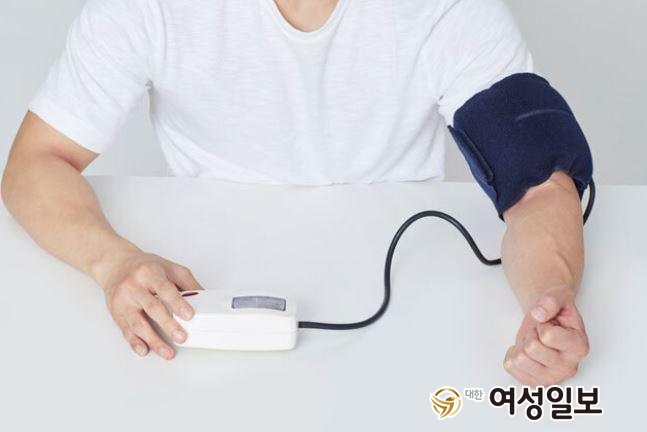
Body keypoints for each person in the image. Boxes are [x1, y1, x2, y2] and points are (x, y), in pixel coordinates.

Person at [1, 0, 591, 387]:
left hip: (397, 313)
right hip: (200, 313)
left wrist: (548, 301)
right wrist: (113, 263)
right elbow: (35, 164)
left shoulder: (448, 9)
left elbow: (540, 185)